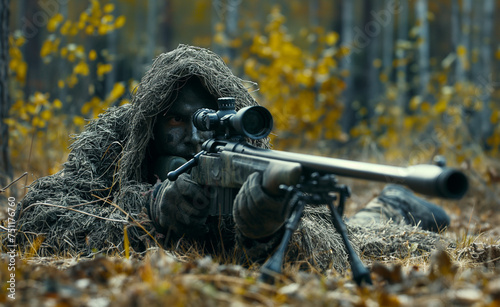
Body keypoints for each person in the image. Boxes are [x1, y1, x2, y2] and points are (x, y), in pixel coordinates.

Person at [14, 45, 450, 272]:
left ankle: (396, 199)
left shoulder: (251, 155)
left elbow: (328, 243)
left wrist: (262, 227)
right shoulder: (118, 136)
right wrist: (149, 209)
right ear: (152, 119)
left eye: (204, 122)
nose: (190, 137)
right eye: (176, 122)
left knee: (366, 231)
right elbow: (40, 213)